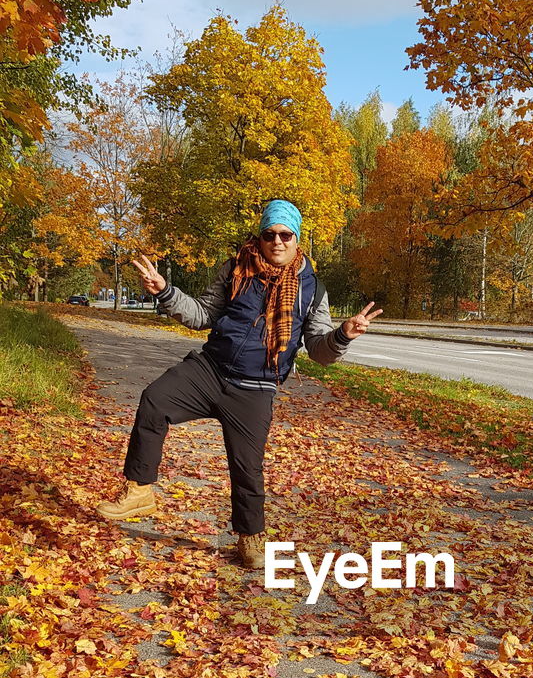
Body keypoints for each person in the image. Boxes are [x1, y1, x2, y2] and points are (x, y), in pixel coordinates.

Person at [96, 199, 382, 568]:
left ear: (297, 239)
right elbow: (201, 315)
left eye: (285, 234)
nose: (277, 241)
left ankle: (250, 538)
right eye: (269, 234)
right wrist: (165, 291)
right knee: (154, 399)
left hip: (256, 386)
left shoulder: (313, 290)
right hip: (210, 370)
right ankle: (139, 490)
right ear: (260, 237)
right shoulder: (235, 270)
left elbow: (319, 350)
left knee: (248, 468)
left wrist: (343, 335)